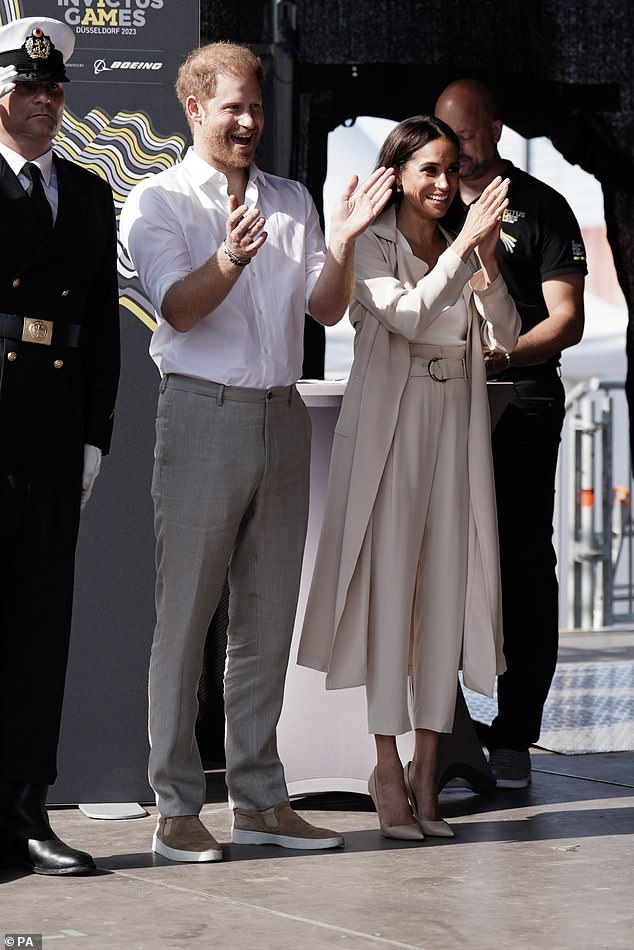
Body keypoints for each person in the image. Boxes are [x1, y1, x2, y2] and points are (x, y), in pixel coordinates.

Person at [119, 40, 394, 862]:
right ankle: (174, 808)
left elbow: (327, 310)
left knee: (266, 623)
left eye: (255, 107)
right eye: (232, 106)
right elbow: (180, 307)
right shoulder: (157, 200)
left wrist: (341, 242)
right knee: (186, 622)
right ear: (195, 108)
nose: (248, 121)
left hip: (279, 414)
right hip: (200, 413)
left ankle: (261, 800)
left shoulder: (290, 198)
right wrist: (232, 256)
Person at [297, 116, 520, 839]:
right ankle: (385, 769)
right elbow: (413, 315)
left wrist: (482, 262)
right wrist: (465, 249)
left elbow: (507, 336)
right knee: (391, 602)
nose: (444, 184)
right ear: (398, 172)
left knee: (444, 604)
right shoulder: (371, 245)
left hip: (454, 436)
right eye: (429, 169)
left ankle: (429, 772)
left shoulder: (467, 243)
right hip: (390, 438)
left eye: (452, 170)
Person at [436, 79, 587, 788]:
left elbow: (568, 319)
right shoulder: (422, 203)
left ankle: (516, 732)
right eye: (441, 134)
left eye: (464, 136)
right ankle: (439, 734)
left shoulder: (542, 206)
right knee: (436, 563)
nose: (453, 152)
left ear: (494, 131)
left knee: (523, 562)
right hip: (436, 403)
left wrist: (505, 354)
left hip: (520, 402)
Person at [0, 17, 120, 874]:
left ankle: (25, 811)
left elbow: (101, 330)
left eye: (54, 88)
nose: (44, 102)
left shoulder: (84, 192)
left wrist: (95, 437)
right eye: (26, 88)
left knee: (40, 634)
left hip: (49, 436)